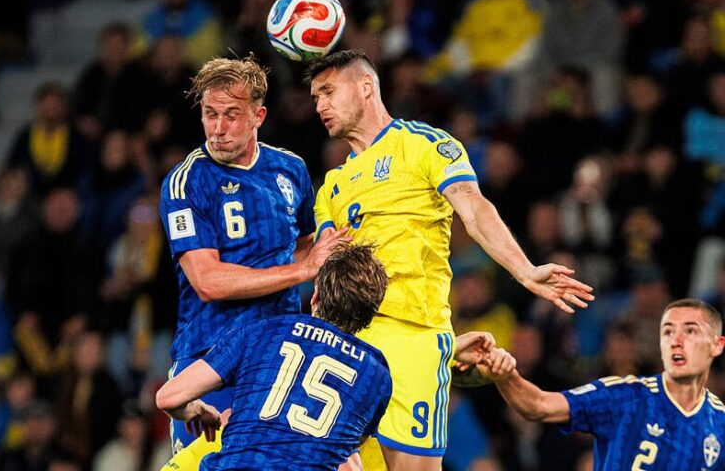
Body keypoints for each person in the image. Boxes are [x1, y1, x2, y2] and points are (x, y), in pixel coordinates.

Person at [306, 49, 594, 471]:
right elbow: (324, 271)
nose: (320, 105)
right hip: (348, 341)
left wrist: (525, 270)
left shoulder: (423, 144)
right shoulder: (331, 187)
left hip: (414, 340)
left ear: (366, 86)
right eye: (316, 97)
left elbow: (473, 208)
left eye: (328, 92)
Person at [155, 243, 496, 470]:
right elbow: (345, 453)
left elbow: (169, 397)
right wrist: (446, 350)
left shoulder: (264, 330)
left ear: (316, 294)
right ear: (370, 315)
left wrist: (198, 410)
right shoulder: (376, 374)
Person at [159, 55, 347, 452]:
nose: (218, 129)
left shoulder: (290, 170)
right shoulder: (186, 182)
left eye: (231, 115)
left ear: (258, 116)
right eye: (210, 115)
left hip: (278, 357)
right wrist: (303, 272)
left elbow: (304, 246)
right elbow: (208, 282)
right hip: (208, 357)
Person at [478, 298, 725, 470]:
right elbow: (539, 405)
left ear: (717, 345)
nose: (676, 341)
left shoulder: (720, 422)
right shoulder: (624, 395)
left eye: (690, 331)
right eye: (668, 332)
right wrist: (505, 375)